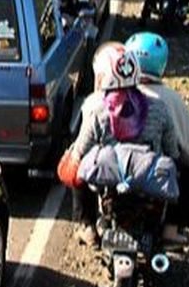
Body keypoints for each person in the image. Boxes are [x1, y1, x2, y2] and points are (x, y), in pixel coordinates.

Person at [68, 43, 182, 247]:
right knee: (183, 168)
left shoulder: (98, 111)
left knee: (75, 166)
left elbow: (79, 152)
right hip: (149, 185)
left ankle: (87, 226)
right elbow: (172, 151)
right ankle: (171, 230)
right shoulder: (159, 108)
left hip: (108, 185)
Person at [124, 32, 189, 245]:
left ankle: (90, 226)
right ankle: (172, 227)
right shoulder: (170, 99)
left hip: (119, 164)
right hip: (155, 166)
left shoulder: (115, 93)